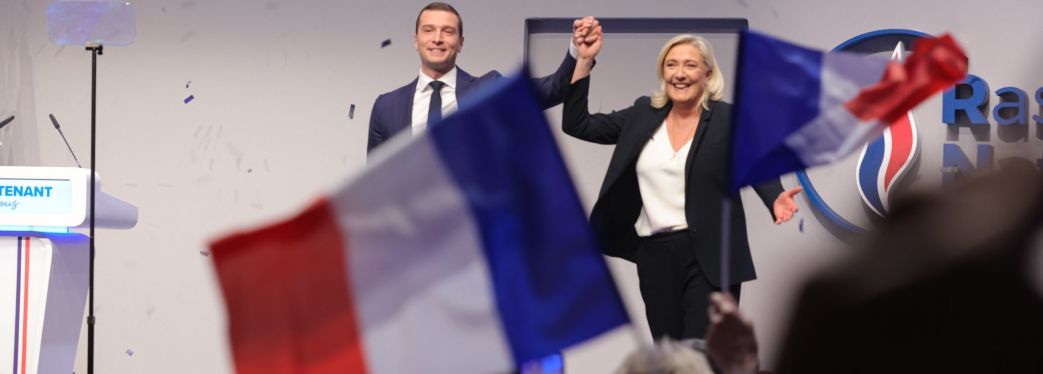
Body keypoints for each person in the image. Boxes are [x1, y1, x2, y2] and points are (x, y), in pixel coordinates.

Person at [563, 32, 802, 340]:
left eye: (690, 65)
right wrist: (583, 60)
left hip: (710, 254)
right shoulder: (642, 114)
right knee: (670, 357)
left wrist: (774, 197)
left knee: (702, 355)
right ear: (663, 72)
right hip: (654, 254)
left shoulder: (727, 118)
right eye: (671, 64)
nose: (679, 73)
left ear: (708, 73)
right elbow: (577, 123)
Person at [367, 2, 600, 153]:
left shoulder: (488, 90)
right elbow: (375, 187)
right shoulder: (386, 107)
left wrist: (576, 51)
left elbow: (552, 90)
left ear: (460, 43)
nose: (437, 38)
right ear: (416, 41)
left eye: (448, 31)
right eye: (428, 30)